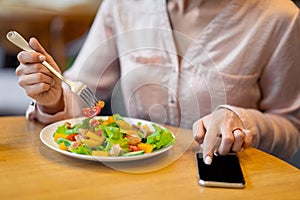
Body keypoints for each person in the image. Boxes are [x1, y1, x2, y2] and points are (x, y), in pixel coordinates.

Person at [16, 0, 300, 165]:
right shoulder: (124, 5)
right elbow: (80, 89)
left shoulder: (279, 16)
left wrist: (243, 120)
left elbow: (291, 126)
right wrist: (54, 99)